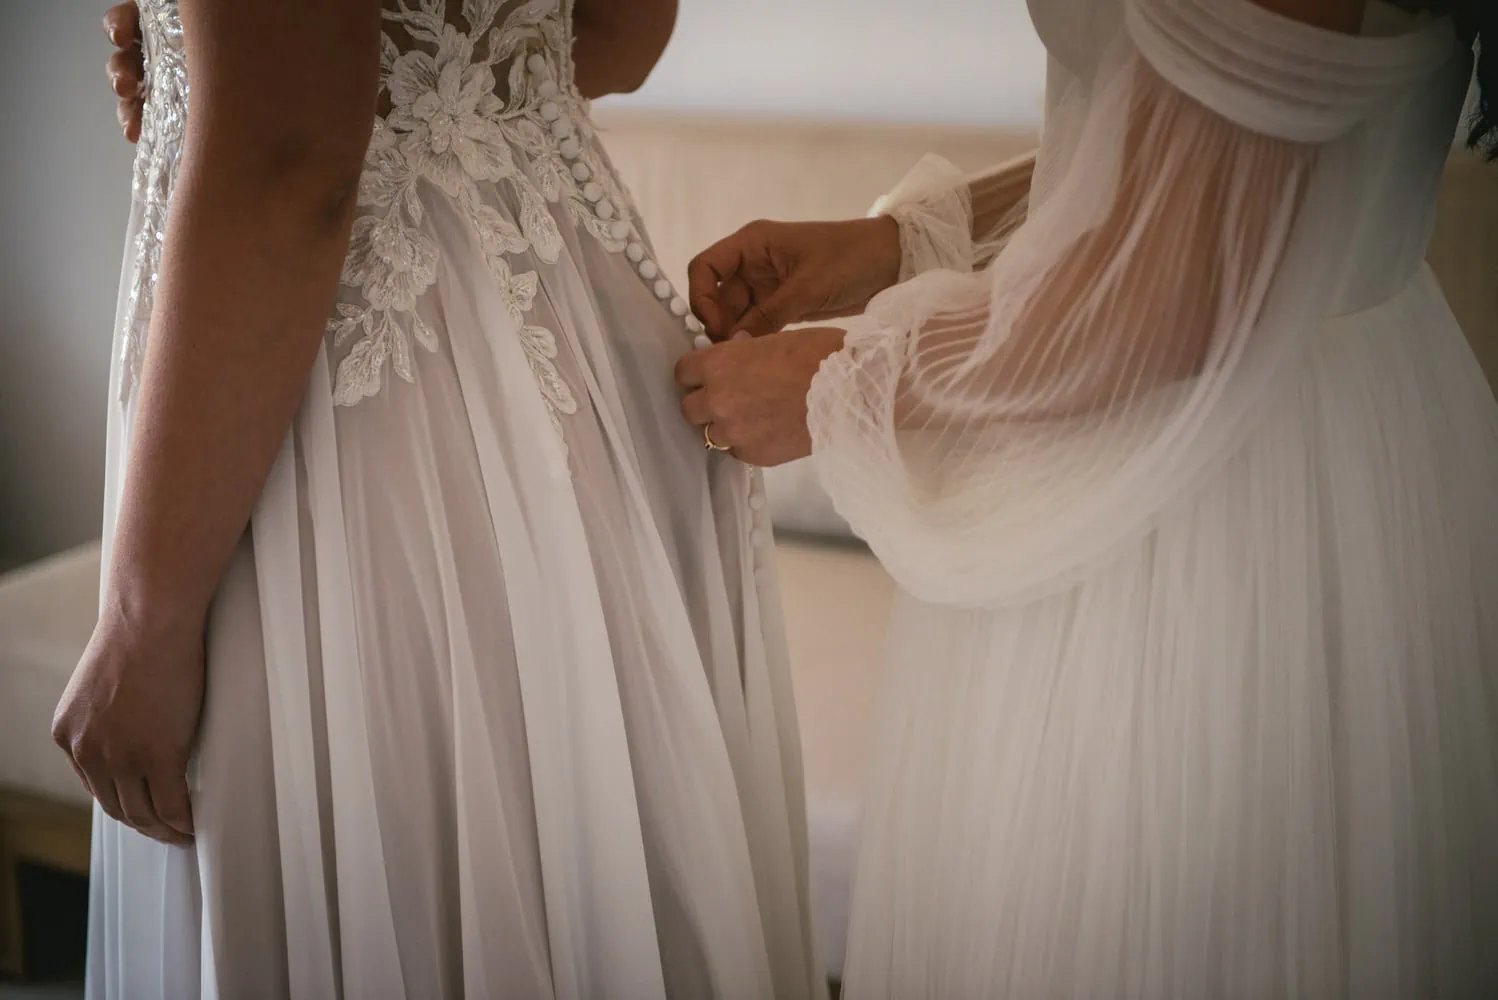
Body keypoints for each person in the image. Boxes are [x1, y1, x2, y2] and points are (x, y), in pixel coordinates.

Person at [680, 0, 1498, 996]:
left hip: (1202, 489)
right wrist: (901, 245)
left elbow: (1182, 281)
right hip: (1320, 431)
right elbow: (1204, 153)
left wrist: (849, 382)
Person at [59, 1, 825, 997]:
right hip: (570, 345)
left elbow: (288, 157)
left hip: (367, 414)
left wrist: (142, 617)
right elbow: (627, 34)